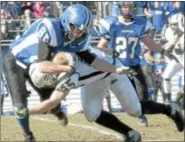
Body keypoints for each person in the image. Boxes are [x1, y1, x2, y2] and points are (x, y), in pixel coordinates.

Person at [3, 4, 128, 142]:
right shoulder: (51, 28)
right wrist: (69, 69)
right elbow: (42, 66)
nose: (77, 33)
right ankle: (28, 136)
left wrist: (116, 69)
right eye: (75, 28)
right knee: (20, 107)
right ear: (66, 21)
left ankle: (57, 111)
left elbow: (94, 61)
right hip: (16, 61)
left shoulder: (79, 39)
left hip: (37, 64)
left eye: (82, 31)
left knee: (49, 96)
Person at [28, 47, 184, 142]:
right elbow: (54, 99)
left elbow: (54, 99)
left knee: (134, 110)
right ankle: (130, 134)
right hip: (94, 78)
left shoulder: (63, 61)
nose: (49, 85)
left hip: (112, 69)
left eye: (47, 81)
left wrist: (27, 112)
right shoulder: (60, 66)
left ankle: (170, 110)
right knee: (91, 114)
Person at [162, 12, 184, 104]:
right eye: (172, 24)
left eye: (175, 24)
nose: (173, 26)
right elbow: (162, 42)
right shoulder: (168, 31)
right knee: (166, 77)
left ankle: (180, 95)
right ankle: (168, 100)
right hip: (177, 59)